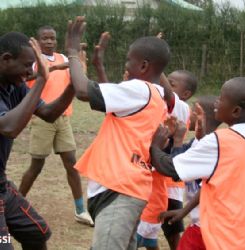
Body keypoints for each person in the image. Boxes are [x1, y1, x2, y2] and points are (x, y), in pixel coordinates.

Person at [65, 16, 170, 250]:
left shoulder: (139, 90)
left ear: (143, 66)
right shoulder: (155, 97)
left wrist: (72, 52)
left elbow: (83, 91)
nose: (126, 66)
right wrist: (99, 65)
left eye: (128, 61)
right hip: (125, 189)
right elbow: (113, 100)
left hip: (119, 189)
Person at [150, 77, 245, 250]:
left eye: (222, 97)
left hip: (214, 232)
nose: (217, 101)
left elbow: (171, 168)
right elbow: (214, 185)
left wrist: (154, 146)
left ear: (236, 111)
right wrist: (185, 210)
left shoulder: (220, 141)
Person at [0, 32, 75, 249]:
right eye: (27, 65)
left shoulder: (14, 85)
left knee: (37, 233)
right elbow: (9, 128)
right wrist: (42, 79)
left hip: (2, 185)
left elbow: (49, 113)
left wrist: (72, 84)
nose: (29, 72)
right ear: (6, 59)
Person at [18, 26, 93, 226]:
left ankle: (80, 210)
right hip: (41, 117)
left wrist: (80, 69)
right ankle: (13, 207)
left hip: (63, 118)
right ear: (38, 41)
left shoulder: (64, 58)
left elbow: (75, 82)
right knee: (36, 166)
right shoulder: (33, 60)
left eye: (52, 38)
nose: (50, 42)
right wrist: (51, 68)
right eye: (45, 38)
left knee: (71, 164)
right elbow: (26, 79)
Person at [159, 95, 221, 250]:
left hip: (207, 226)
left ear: (202, 116)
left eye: (192, 111)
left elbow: (173, 170)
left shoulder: (207, 148)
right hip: (202, 223)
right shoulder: (197, 143)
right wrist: (171, 139)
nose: (188, 115)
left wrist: (176, 139)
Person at [160, 69, 198, 250]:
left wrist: (156, 64)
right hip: (156, 176)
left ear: (186, 94)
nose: (165, 86)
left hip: (170, 183)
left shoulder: (180, 108)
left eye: (171, 84)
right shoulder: (161, 104)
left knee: (171, 227)